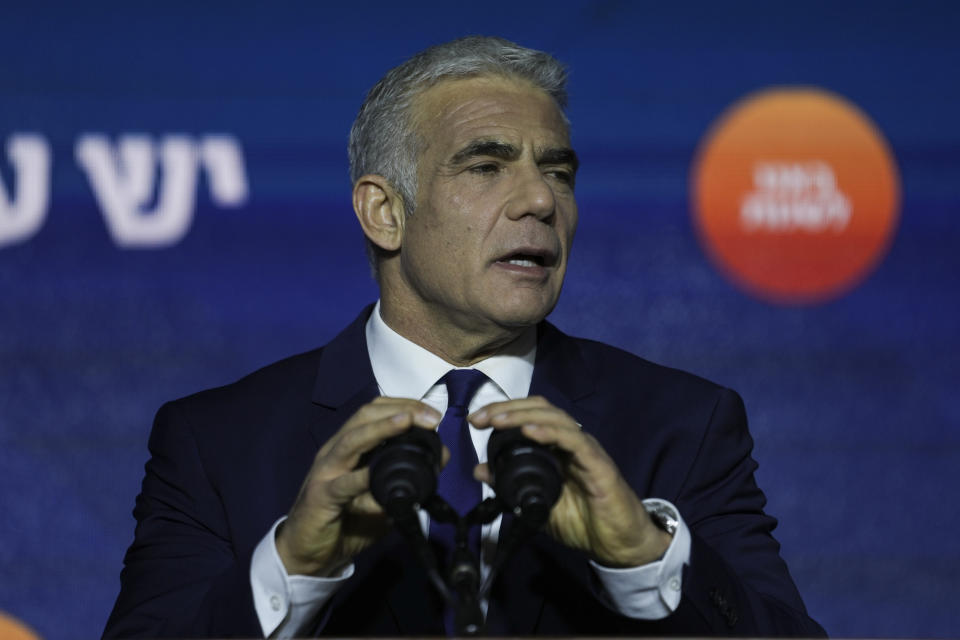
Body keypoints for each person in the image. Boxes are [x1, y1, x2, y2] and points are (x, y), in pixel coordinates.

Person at [103, 36, 825, 637]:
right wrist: (291, 568)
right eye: (485, 166)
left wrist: (644, 559)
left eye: (557, 173)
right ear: (383, 211)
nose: (541, 200)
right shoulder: (217, 442)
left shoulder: (683, 425)